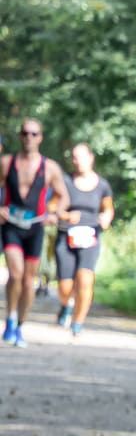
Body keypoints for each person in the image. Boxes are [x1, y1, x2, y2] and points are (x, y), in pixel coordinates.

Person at [2, 120, 67, 348]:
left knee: (29, 281)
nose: (29, 137)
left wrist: (53, 212)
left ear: (40, 137)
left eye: (34, 133)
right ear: (19, 136)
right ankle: (9, 318)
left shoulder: (50, 168)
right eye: (25, 133)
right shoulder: (6, 163)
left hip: (36, 226)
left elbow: (62, 195)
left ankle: (20, 325)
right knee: (16, 273)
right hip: (11, 224)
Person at [51, 143, 114, 336]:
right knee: (65, 286)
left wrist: (106, 218)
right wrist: (65, 215)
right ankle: (66, 304)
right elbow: (52, 207)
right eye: (74, 157)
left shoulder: (102, 185)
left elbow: (108, 208)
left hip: (90, 238)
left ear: (91, 158)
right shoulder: (65, 182)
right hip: (66, 236)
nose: (77, 161)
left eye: (81, 157)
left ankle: (78, 321)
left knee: (86, 279)